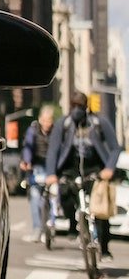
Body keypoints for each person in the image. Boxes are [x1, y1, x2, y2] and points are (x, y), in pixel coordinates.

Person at [46, 89, 121, 261]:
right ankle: (73, 224)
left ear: (86, 107)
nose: (76, 110)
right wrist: (51, 173)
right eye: (74, 106)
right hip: (69, 169)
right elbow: (53, 150)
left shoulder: (99, 122)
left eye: (80, 106)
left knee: (99, 209)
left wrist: (109, 168)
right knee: (64, 194)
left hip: (95, 169)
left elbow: (116, 148)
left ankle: (105, 246)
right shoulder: (63, 124)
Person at [20, 104, 56, 242]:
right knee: (35, 197)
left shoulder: (56, 131)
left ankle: (50, 228)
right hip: (36, 167)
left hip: (52, 168)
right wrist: (26, 162)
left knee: (53, 197)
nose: (47, 123)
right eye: (45, 120)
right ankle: (37, 229)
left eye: (50, 120)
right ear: (40, 119)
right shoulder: (33, 130)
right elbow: (28, 147)